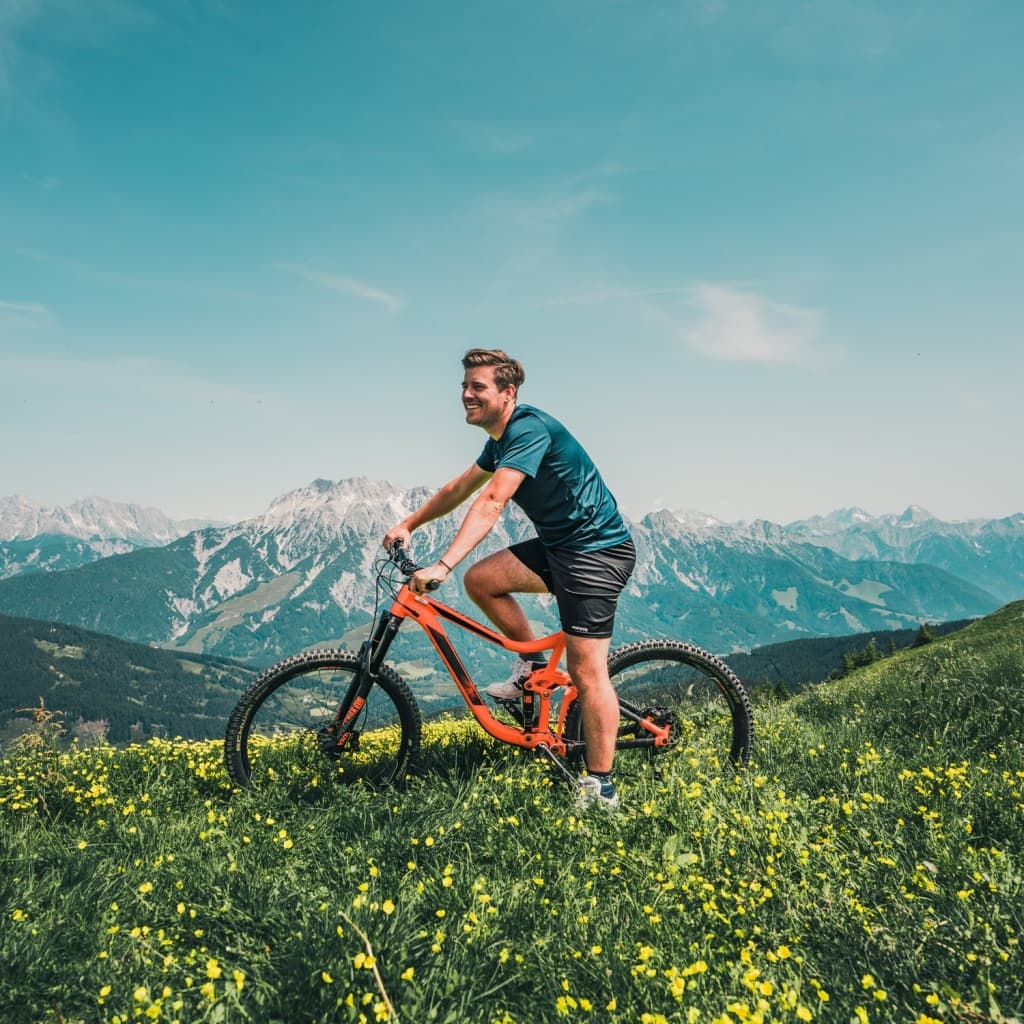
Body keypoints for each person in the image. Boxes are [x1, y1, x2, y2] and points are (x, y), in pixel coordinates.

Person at [383, 348, 636, 808]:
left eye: (477, 387)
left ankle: (601, 787)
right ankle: (535, 669)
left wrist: (443, 564)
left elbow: (493, 500)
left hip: (595, 553)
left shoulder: (528, 430)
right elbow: (459, 490)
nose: (466, 395)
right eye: (464, 387)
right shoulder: (499, 439)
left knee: (588, 671)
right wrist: (409, 524)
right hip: (560, 547)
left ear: (508, 393)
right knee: (482, 581)